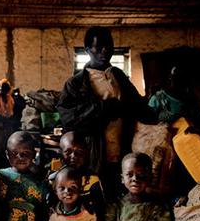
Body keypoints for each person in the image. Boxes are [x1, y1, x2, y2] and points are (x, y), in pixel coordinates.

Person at [56, 26, 149, 181]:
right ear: (87, 50)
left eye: (109, 46)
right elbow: (69, 120)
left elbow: (138, 106)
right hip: (94, 156)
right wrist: (104, 108)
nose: (105, 51)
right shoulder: (76, 84)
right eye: (98, 47)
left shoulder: (118, 76)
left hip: (122, 153)